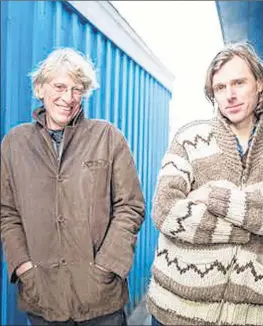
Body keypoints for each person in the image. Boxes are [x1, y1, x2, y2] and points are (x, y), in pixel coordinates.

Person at [146, 42, 263, 325]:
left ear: (261, 84)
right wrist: (255, 213)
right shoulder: (188, 138)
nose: (229, 95)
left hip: (249, 314)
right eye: (220, 87)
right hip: (176, 308)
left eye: (239, 82)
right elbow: (166, 212)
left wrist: (207, 195)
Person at [1, 48, 145, 326]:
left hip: (100, 297)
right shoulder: (14, 144)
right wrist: (24, 267)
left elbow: (130, 206)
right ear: (40, 88)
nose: (68, 98)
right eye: (60, 86)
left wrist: (107, 266)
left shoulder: (108, 137)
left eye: (77, 89)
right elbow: (6, 212)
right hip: (42, 295)